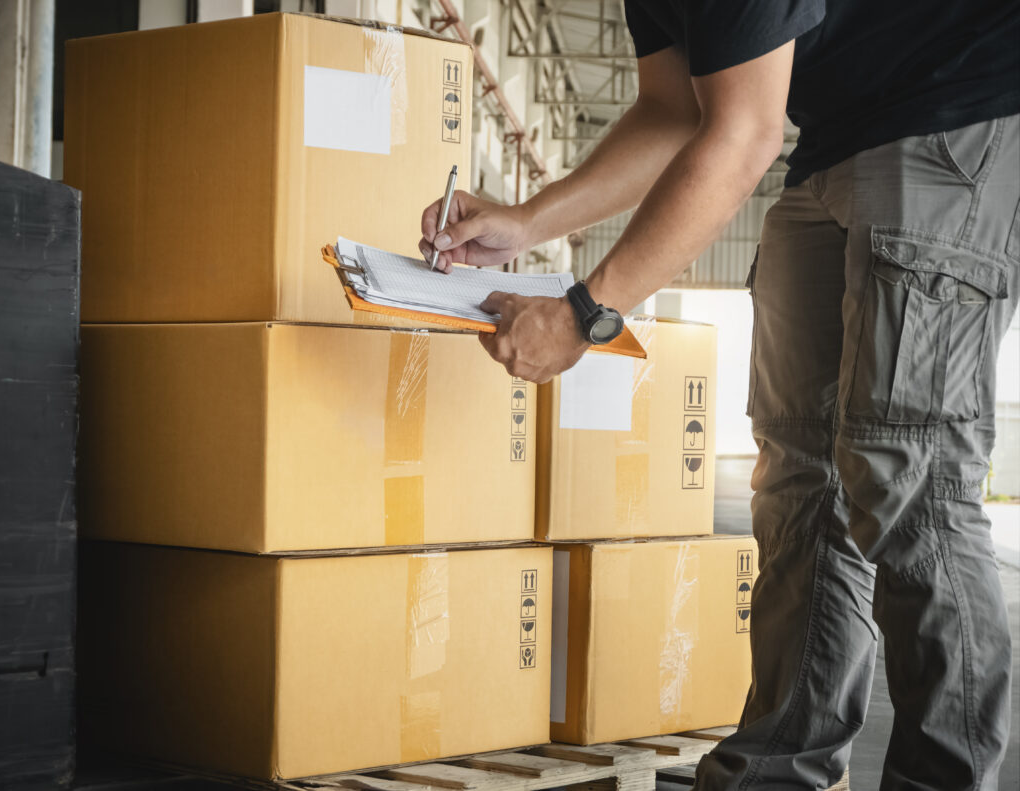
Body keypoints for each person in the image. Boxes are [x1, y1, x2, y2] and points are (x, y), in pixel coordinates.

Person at [419, 1, 1019, 788]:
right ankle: (777, 767)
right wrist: (527, 221)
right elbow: (674, 111)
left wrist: (585, 315)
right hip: (834, 140)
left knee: (907, 473)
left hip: (959, 113)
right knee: (800, 482)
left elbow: (740, 138)